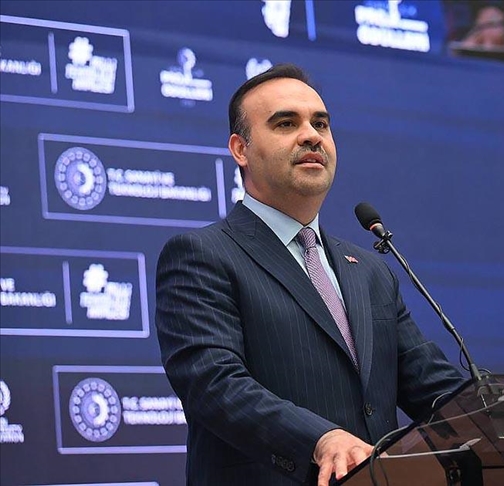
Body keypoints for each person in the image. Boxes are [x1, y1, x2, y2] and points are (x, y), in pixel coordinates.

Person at [155, 63, 467, 485]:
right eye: (286, 123)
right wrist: (319, 439)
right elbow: (214, 385)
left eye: (320, 123)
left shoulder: (370, 270)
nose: (311, 135)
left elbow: (429, 384)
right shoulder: (202, 255)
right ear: (240, 149)